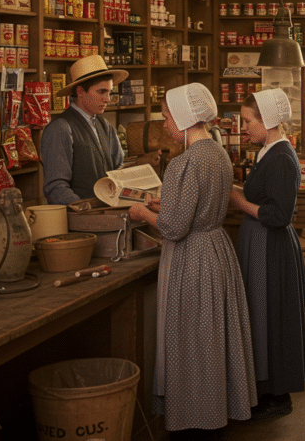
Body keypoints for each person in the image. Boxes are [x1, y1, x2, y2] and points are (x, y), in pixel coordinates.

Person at [127, 83, 257, 440]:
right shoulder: (217, 154)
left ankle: (195, 416)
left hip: (192, 258)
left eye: (168, 117)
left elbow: (173, 225)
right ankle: (216, 407)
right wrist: (164, 206)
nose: (165, 125)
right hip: (216, 248)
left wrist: (142, 211)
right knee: (212, 336)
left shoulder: (183, 163)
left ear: (183, 120)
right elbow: (197, 206)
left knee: (191, 339)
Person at [228, 88, 305, 420]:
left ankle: (278, 394)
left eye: (248, 120)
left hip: (271, 246)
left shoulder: (281, 157)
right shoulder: (265, 151)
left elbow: (279, 215)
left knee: (271, 316)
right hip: (259, 242)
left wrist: (238, 202)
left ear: (267, 121)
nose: (244, 127)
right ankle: (265, 387)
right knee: (261, 315)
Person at [40, 55, 160, 204]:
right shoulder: (60, 128)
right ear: (80, 91)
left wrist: (141, 162)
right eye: (101, 92)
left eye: (109, 92)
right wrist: (85, 210)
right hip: (80, 220)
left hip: (106, 213)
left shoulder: (105, 126)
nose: (107, 99)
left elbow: (117, 170)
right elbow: (56, 188)